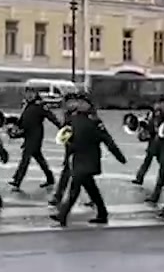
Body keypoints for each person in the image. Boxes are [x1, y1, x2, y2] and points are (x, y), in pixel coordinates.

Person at [50, 94, 125, 226]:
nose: (80, 105)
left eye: (83, 103)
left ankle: (62, 215)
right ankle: (102, 214)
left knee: (75, 188)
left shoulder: (95, 121)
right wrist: (68, 153)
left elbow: (107, 140)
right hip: (78, 158)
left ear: (89, 105)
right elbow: (67, 137)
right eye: (79, 102)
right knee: (91, 188)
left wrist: (119, 156)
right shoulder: (73, 119)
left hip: (89, 158)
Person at [7, 87, 58, 191]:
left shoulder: (40, 105)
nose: (29, 95)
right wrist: (15, 128)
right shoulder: (27, 105)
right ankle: (50, 178)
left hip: (36, 136)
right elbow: (22, 119)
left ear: (36, 94)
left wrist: (62, 127)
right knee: (39, 158)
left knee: (25, 158)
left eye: (31, 93)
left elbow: (51, 117)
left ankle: (17, 181)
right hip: (27, 134)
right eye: (27, 93)